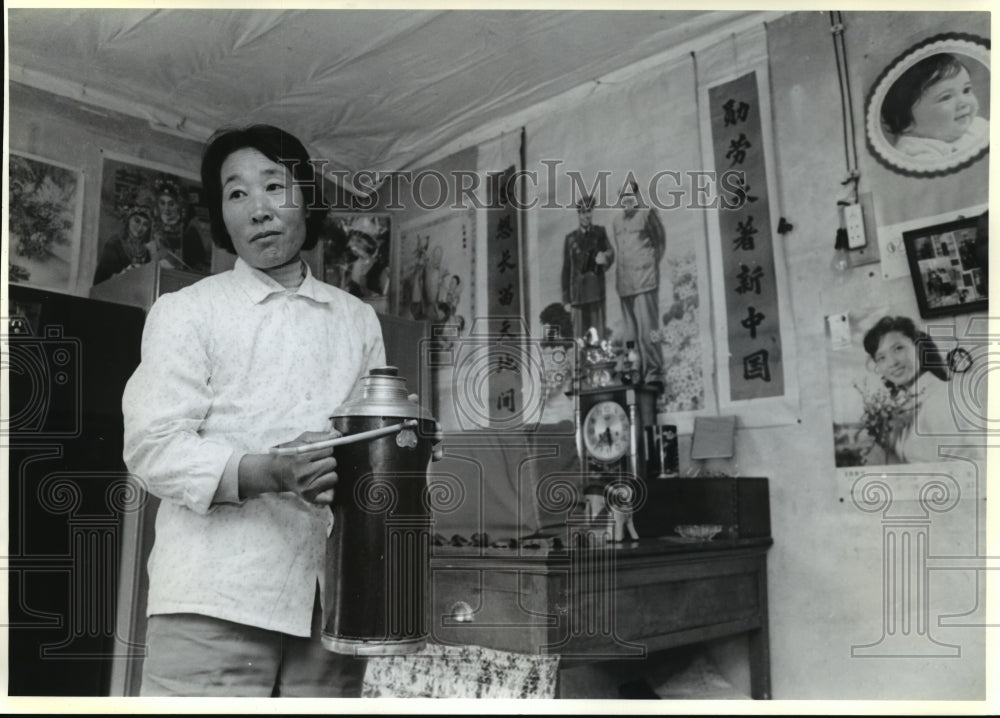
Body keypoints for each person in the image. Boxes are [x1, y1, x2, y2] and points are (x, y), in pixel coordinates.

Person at [122, 124, 386, 697]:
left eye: (274, 186)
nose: (258, 209)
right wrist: (267, 472)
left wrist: (400, 454)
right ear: (222, 215)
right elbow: (151, 446)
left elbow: (369, 441)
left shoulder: (356, 319)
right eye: (237, 193)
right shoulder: (186, 311)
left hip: (330, 602)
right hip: (213, 602)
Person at [862, 315, 982, 464]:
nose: (892, 362)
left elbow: (969, 470)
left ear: (918, 348)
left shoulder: (946, 398)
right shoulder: (904, 406)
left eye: (898, 348)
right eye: (881, 357)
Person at [882, 53, 989, 159]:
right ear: (906, 122)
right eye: (946, 97)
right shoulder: (916, 152)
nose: (963, 102)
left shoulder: (977, 126)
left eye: (966, 90)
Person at [611, 179, 665, 388]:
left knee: (647, 332)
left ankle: (654, 373)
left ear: (637, 196)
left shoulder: (647, 214)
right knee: (630, 336)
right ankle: (633, 372)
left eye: (630, 196)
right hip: (625, 285)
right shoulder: (616, 222)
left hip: (645, 282)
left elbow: (660, 242)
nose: (627, 200)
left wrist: (648, 266)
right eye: (623, 197)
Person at [561, 194, 614, 340]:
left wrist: (605, 257)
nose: (586, 215)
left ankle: (600, 363)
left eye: (589, 211)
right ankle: (581, 363)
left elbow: (611, 251)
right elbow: (566, 270)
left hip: (596, 292)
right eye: (583, 212)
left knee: (598, 337)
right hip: (577, 296)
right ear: (578, 214)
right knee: (580, 339)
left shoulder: (600, 232)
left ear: (592, 212)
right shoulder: (570, 239)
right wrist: (566, 300)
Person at [92, 204, 154, 285]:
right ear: (128, 220)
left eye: (145, 224)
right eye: (137, 221)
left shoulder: (146, 252)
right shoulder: (115, 243)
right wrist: (124, 274)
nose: (140, 228)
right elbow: (101, 280)